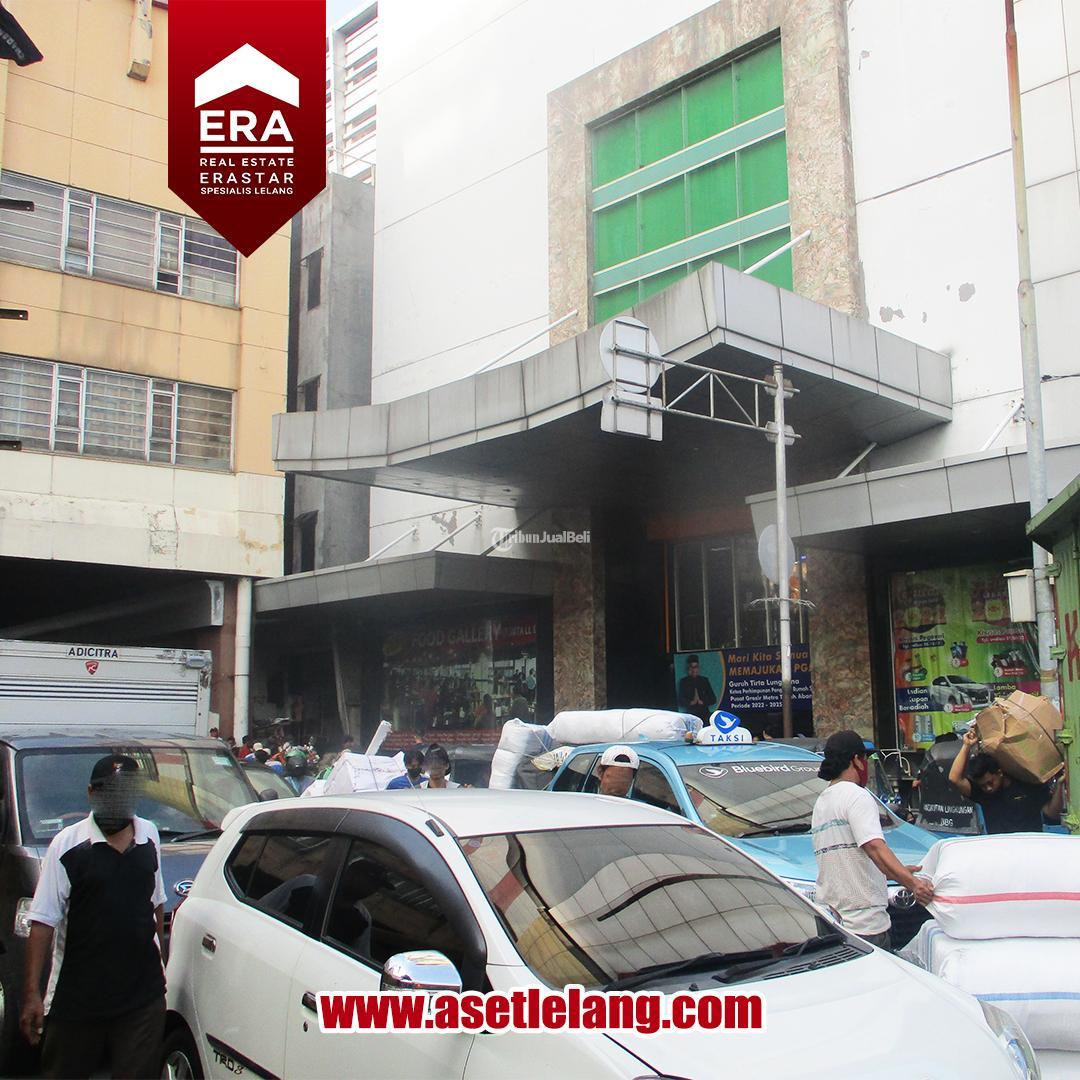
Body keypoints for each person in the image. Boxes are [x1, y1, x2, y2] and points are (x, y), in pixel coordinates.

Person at [20, 755, 167, 1079]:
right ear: (91, 793)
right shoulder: (67, 846)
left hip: (141, 997)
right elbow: (42, 923)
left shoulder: (149, 836)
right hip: (78, 999)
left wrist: (161, 966)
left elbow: (155, 904)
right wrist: (32, 995)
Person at [811, 730, 933, 950]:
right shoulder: (857, 795)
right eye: (865, 759)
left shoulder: (823, 801)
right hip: (865, 926)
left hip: (831, 922)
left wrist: (897, 872)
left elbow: (848, 858)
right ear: (856, 760)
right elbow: (875, 848)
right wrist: (914, 884)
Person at [948, 728, 1065, 833]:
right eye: (983, 786)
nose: (988, 788)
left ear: (999, 773)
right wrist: (966, 745)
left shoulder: (1027, 784)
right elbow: (954, 778)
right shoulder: (982, 793)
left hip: (1029, 846)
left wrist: (1060, 785)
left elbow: (1051, 813)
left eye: (990, 782)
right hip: (999, 847)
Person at [677, 655, 717, 725]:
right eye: (691, 667)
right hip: (691, 714)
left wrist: (702, 702)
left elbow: (713, 699)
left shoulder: (704, 680)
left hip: (704, 714)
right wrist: (691, 702)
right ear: (688, 668)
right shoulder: (684, 682)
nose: (694, 670)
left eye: (695, 667)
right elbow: (680, 701)